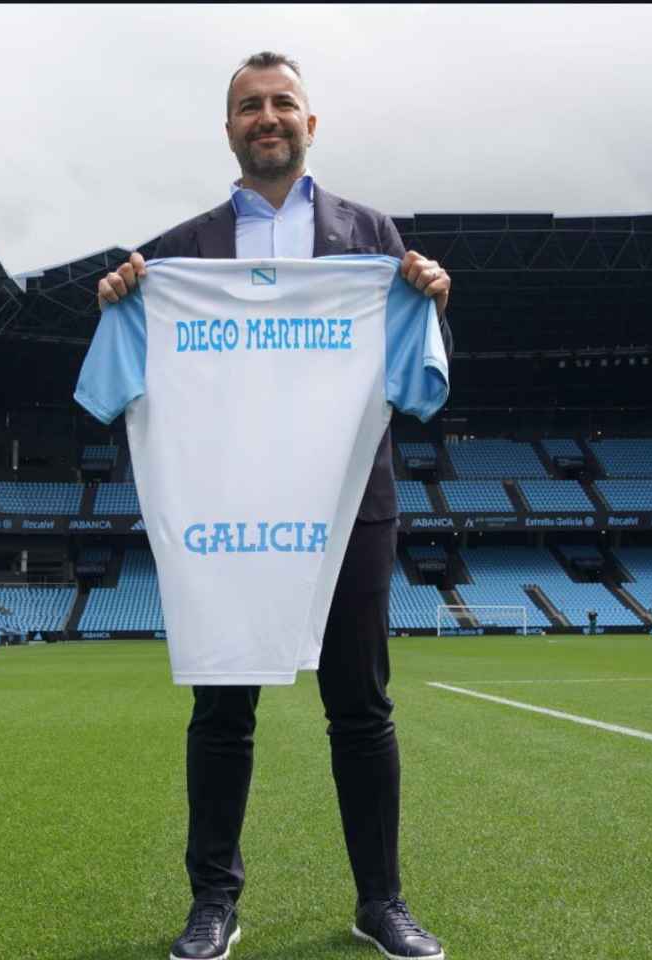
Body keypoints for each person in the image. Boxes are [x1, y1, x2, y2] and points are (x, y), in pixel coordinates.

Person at [96, 52, 452, 960]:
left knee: (362, 710)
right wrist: (120, 308)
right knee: (222, 710)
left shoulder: (374, 235)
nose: (268, 116)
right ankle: (214, 902)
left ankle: (382, 902)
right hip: (228, 517)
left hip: (347, 505)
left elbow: (417, 389)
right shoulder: (174, 254)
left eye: (283, 102)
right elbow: (115, 386)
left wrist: (431, 304)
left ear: (310, 123)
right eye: (249, 105)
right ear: (228, 129)